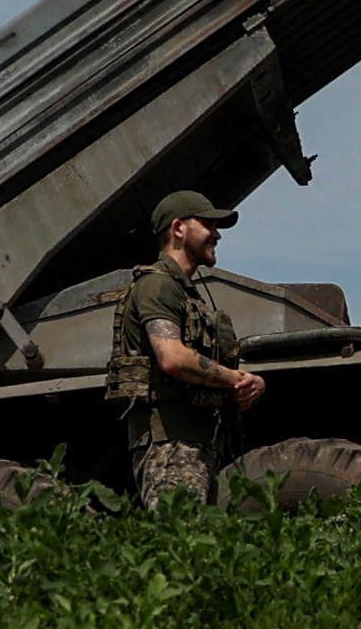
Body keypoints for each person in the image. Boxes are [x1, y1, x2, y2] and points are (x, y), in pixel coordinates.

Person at [107, 188, 262, 501]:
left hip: (196, 442)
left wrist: (246, 388)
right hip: (171, 446)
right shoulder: (157, 285)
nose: (215, 234)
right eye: (207, 224)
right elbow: (173, 358)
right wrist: (236, 380)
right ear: (178, 228)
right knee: (180, 542)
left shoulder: (186, 292)